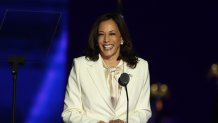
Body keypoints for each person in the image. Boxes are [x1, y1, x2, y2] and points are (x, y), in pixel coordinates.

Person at [61, 12, 152, 123]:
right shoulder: (81, 66)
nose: (106, 40)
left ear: (121, 37)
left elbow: (144, 111)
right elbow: (69, 112)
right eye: (101, 34)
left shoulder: (140, 67)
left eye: (112, 33)